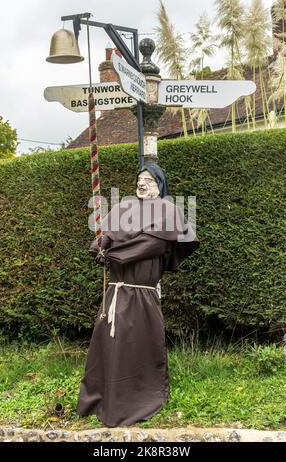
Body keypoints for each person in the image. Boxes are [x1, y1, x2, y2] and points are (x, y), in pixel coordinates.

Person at [76, 163, 200, 427]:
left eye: (149, 180)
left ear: (160, 184)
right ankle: (103, 399)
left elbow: (152, 244)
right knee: (111, 346)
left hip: (142, 295)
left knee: (137, 345)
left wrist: (115, 254)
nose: (142, 183)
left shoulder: (168, 211)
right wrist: (101, 245)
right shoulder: (123, 208)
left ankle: (136, 399)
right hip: (115, 293)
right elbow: (104, 238)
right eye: (139, 179)